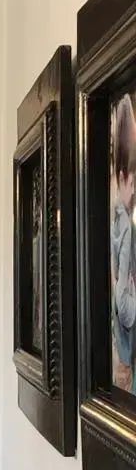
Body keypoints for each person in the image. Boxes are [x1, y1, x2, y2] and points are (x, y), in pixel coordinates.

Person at [111, 94, 136, 392]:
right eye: (132, 182)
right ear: (122, 176)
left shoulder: (117, 222)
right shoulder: (125, 226)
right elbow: (125, 309)